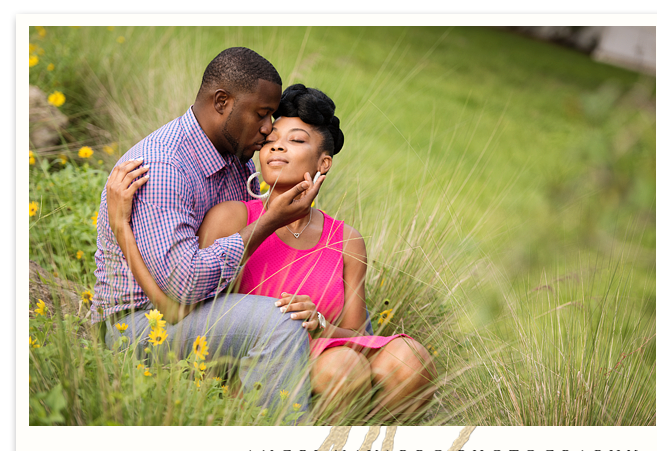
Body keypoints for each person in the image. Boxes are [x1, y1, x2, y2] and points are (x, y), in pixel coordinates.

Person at [107, 84, 437, 423]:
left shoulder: (347, 240)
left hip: (327, 350)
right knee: (344, 368)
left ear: (324, 162)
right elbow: (200, 318)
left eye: (296, 140)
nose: (277, 145)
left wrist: (320, 324)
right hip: (255, 365)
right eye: (271, 139)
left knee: (410, 359)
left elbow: (358, 334)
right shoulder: (232, 217)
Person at [92, 48, 322, 412]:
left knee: (310, 312)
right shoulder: (163, 166)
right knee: (280, 324)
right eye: (261, 115)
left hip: (201, 312)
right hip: (139, 326)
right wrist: (268, 221)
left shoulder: (237, 160)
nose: (267, 130)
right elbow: (181, 288)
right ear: (221, 101)